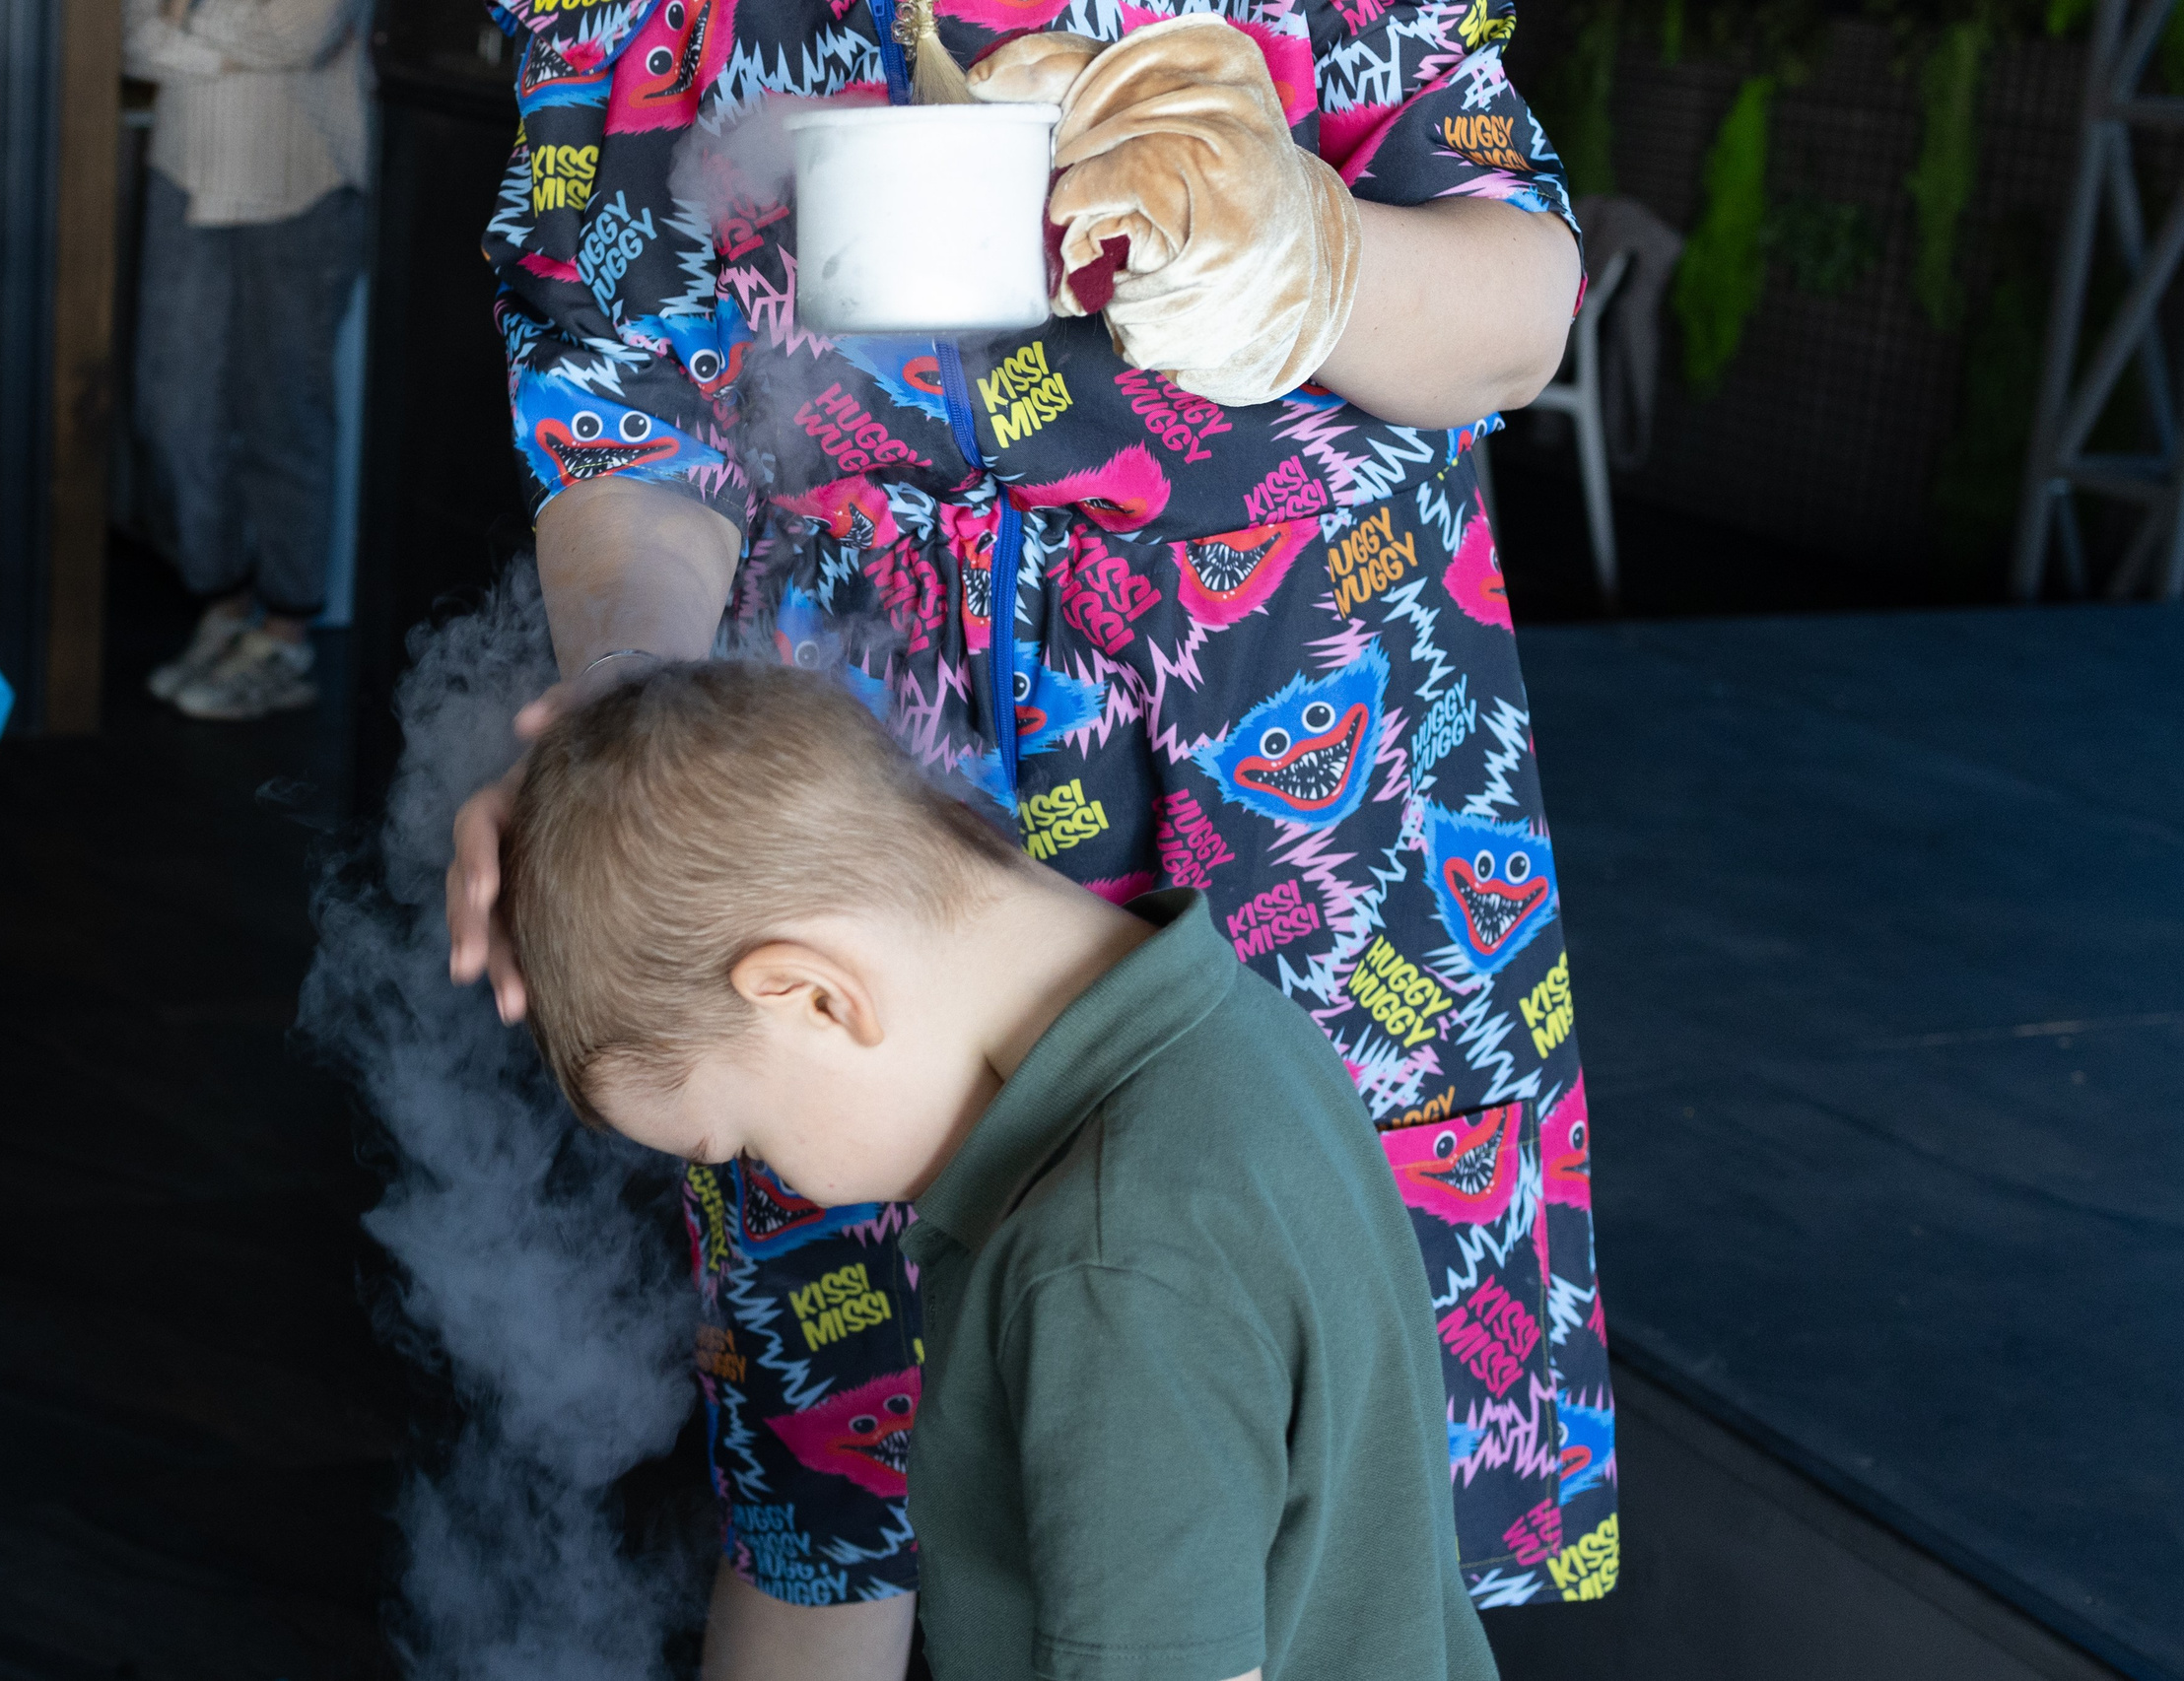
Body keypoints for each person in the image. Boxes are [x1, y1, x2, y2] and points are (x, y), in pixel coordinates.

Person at [451, 0, 1618, 1670]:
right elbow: (630, 413)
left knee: (1309, 1454)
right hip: (853, 786)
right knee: (835, 1466)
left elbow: (1514, 310)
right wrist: (633, 729)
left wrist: (1326, 257)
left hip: (1301, 762)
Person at [507, 659, 1496, 1681]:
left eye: (748, 1143)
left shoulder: (1103, 1266)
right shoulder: (1232, 1038)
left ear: (815, 996)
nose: (784, 1182)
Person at [122, 0, 368, 721]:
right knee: (170, 409)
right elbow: (126, 38)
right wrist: (218, 36)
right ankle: (226, 609)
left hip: (302, 178)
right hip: (184, 170)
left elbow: (298, 33)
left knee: (282, 411)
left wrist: (186, 19)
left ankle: (285, 636)